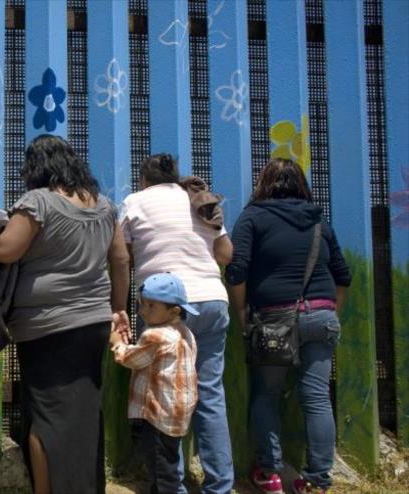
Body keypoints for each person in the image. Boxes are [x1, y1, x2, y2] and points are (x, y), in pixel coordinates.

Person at [0, 134, 130, 494]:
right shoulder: (104, 206)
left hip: (45, 328)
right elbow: (120, 260)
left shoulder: (38, 202)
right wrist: (119, 308)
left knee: (47, 417)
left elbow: (7, 250)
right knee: (83, 416)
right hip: (94, 324)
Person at [226, 158, 351, 494]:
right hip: (322, 315)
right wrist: (329, 311)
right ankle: (317, 482)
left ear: (264, 183)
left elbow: (236, 270)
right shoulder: (318, 219)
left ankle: (270, 475)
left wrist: (241, 312)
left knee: (266, 395)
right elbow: (344, 275)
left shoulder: (253, 216)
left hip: (272, 319)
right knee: (316, 399)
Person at [119, 153, 234, 493]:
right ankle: (220, 485)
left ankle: (173, 486)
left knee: (161, 395)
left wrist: (120, 305)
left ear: (143, 180)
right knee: (211, 393)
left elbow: (121, 255)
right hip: (212, 299)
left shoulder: (134, 201)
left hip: (165, 309)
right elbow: (226, 255)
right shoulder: (198, 200)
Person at [111, 273, 199, 494]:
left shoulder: (156, 336)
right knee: (167, 462)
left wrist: (117, 343)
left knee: (161, 469)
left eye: (151, 306)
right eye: (142, 304)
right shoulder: (185, 332)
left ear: (174, 310)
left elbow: (131, 359)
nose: (143, 310)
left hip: (159, 414)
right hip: (177, 413)